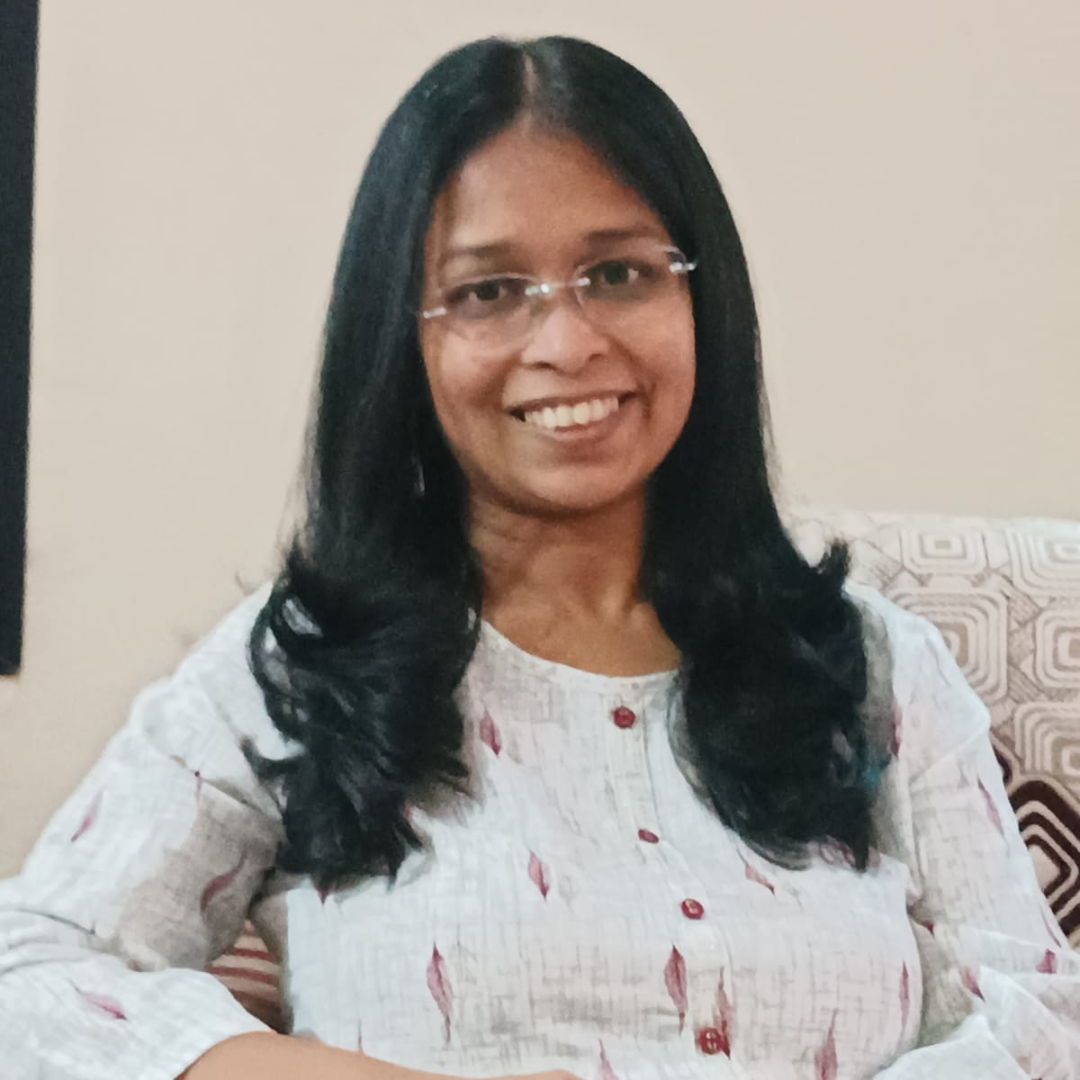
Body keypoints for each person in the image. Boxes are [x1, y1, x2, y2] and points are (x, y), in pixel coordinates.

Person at [0, 34, 1075, 1080]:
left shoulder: (871, 667)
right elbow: (33, 980)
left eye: (619, 273)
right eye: (488, 291)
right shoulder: (307, 668)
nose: (567, 343)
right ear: (401, 337)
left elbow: (1041, 1024)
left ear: (701, 298)